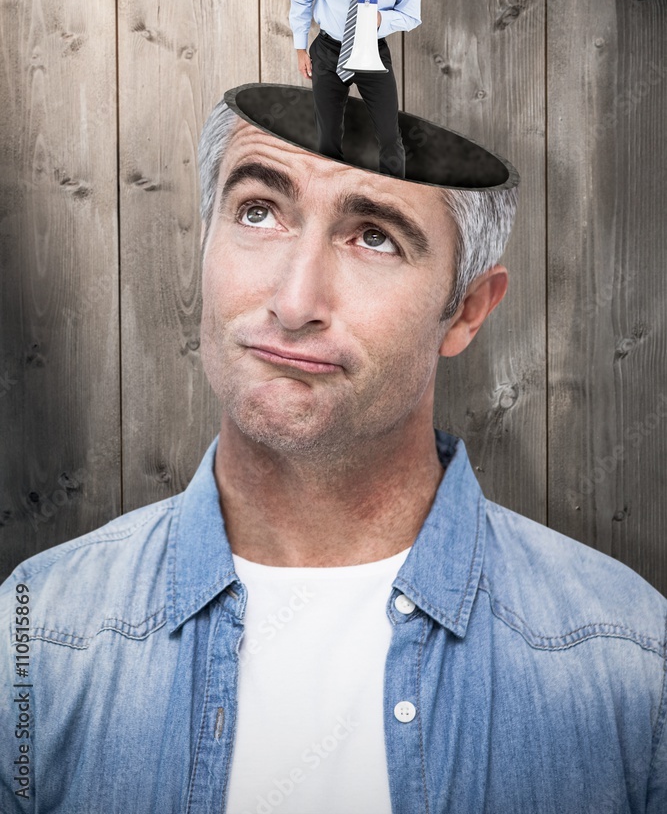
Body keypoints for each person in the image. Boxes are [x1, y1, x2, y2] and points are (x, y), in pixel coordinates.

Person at [1, 94, 666, 814]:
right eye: (258, 212)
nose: (293, 302)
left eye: (373, 236)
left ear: (466, 310)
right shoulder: (34, 642)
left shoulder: (629, 662)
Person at [289, 0, 421, 178]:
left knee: (389, 136)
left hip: (372, 49)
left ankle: (393, 199)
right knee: (327, 138)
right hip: (327, 50)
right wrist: (300, 48)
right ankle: (331, 199)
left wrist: (381, 20)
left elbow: (412, 15)